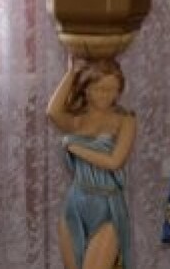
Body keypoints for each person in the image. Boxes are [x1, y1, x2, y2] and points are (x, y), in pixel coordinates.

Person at [47, 57, 136, 269]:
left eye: (113, 89)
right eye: (99, 89)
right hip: (76, 202)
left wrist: (74, 147)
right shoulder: (77, 119)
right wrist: (71, 73)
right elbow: (52, 112)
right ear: (86, 89)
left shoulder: (125, 119)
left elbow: (114, 162)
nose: (106, 95)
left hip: (107, 206)